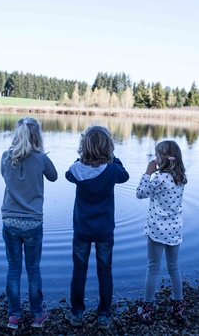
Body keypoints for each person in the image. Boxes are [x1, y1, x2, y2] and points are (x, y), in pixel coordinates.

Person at [64, 125, 129, 330]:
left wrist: (81, 159)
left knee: (79, 271)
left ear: (84, 146)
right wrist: (113, 157)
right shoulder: (112, 170)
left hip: (82, 230)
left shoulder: (76, 169)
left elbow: (68, 174)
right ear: (108, 147)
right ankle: (104, 316)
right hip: (104, 232)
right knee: (105, 272)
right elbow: (124, 175)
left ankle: (76, 314)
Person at [0, 117, 58, 329]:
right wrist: (40, 156)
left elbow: (4, 177)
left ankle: (14, 315)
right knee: (33, 269)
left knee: (13, 268)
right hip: (32, 222)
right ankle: (36, 315)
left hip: (10, 220)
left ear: (17, 134)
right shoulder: (41, 159)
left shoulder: (6, 157)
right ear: (37, 136)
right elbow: (54, 177)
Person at [135, 140, 187, 324]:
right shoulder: (180, 176)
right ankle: (178, 308)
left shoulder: (158, 178)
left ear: (164, 159)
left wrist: (147, 173)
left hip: (157, 231)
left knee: (153, 269)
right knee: (174, 268)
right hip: (174, 230)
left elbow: (140, 193)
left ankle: (147, 308)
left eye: (157, 156)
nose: (154, 159)